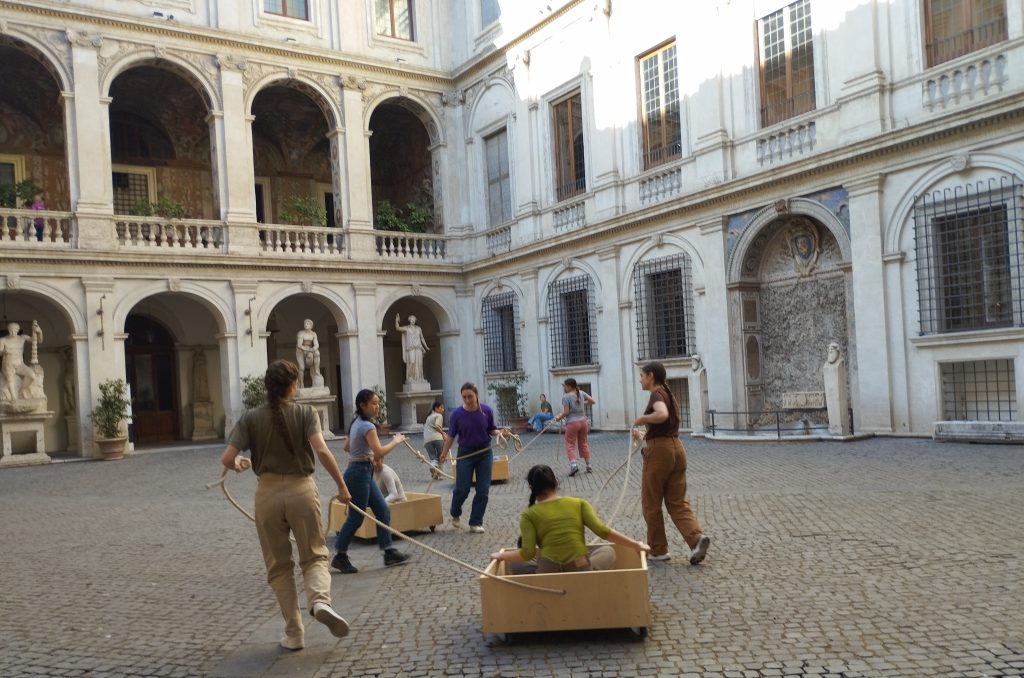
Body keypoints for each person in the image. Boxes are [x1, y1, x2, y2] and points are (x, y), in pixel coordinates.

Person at [220, 360, 352, 652]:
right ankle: (319, 601)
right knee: (314, 555)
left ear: (268, 386)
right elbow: (322, 450)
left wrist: (241, 464)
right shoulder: (306, 413)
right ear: (293, 385)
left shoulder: (251, 417)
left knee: (279, 566)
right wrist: (342, 487)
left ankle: (294, 633)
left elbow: (227, 458)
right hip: (301, 490)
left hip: (266, 494)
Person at [490, 464, 650, 573]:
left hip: (548, 572)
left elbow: (526, 553)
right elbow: (603, 531)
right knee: (607, 550)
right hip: (580, 568)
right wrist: (636, 545)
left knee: (515, 563)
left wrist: (501, 556)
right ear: (556, 482)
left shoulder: (528, 515)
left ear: (531, 488)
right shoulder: (579, 503)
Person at [633, 361, 711, 565]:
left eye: (642, 375)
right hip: (676, 448)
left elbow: (662, 415)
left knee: (651, 503)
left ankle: (658, 550)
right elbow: (664, 428)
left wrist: (642, 418)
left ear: (650, 376)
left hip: (659, 453)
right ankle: (696, 539)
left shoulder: (657, 394)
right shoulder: (669, 394)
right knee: (677, 502)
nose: (640, 379)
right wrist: (644, 435)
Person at [331, 388, 411, 574]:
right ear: (362, 405)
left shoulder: (356, 422)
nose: (377, 407)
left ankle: (388, 551)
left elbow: (346, 446)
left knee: (382, 510)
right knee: (356, 517)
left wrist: (364, 454)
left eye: (378, 403)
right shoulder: (367, 426)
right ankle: (340, 556)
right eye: (373, 404)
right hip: (358, 474)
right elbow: (380, 452)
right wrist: (397, 440)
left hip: (361, 471)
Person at [438, 382, 504, 533]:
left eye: (470, 396)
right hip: (465, 453)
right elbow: (450, 436)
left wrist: (500, 433)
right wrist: (443, 453)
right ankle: (455, 512)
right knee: (462, 489)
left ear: (477, 395)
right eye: (464, 397)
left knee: (483, 490)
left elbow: (491, 429)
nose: (467, 400)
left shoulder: (486, 411)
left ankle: (475, 522)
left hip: (485, 453)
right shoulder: (457, 414)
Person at [553, 378, 596, 476]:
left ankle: (574, 466)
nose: (564, 388)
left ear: (569, 386)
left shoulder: (566, 397)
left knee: (569, 444)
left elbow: (566, 412)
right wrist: (582, 403)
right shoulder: (581, 393)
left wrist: (558, 418)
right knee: (584, 443)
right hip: (583, 422)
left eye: (565, 386)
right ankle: (589, 465)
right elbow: (593, 401)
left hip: (572, 423)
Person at [0, 321, 43, 402]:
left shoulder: (22, 338)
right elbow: (0, 352)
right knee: (10, 378)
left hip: (20, 364)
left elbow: (38, 341)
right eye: (11, 330)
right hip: (8, 364)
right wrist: (4, 352)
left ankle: (21, 390)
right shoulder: (3, 340)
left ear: (18, 330)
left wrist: (39, 332)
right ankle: (13, 398)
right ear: (8, 330)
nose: (13, 332)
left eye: (15, 331)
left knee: (32, 376)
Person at [395, 314, 429, 383]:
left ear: (415, 320)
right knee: (412, 362)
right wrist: (396, 321)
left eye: (414, 319)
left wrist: (426, 346)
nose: (413, 320)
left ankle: (419, 378)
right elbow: (397, 328)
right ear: (409, 320)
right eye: (411, 319)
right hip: (410, 348)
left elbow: (422, 338)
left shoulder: (418, 328)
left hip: (418, 348)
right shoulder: (406, 328)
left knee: (419, 364)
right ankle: (410, 377)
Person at [422, 400, 446, 479]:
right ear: (436, 408)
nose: (443, 409)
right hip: (437, 438)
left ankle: (434, 471)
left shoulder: (428, 417)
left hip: (427, 440)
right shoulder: (438, 415)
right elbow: (437, 426)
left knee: (433, 458)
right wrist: (443, 434)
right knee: (441, 456)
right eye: (441, 407)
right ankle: (440, 474)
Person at [294, 319, 321, 387]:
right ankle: (301, 383)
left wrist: (313, 349)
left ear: (311, 326)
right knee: (302, 367)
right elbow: (299, 345)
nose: (306, 325)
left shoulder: (313, 334)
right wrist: (307, 349)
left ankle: (317, 371)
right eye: (305, 323)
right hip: (300, 351)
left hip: (309, 350)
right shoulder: (301, 333)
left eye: (308, 324)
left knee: (317, 353)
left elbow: (316, 344)